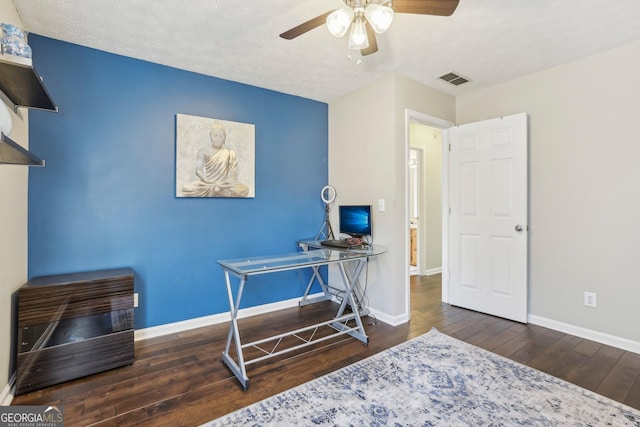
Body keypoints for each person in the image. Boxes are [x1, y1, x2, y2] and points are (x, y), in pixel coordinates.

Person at [182, 122, 249, 197]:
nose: (218, 138)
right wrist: (208, 181)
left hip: (224, 184)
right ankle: (218, 190)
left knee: (244, 190)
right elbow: (198, 170)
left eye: (221, 136)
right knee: (187, 188)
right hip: (208, 183)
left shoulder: (230, 153)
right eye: (215, 135)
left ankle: (217, 190)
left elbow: (234, 175)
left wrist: (225, 183)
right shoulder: (203, 151)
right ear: (210, 136)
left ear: (225, 137)